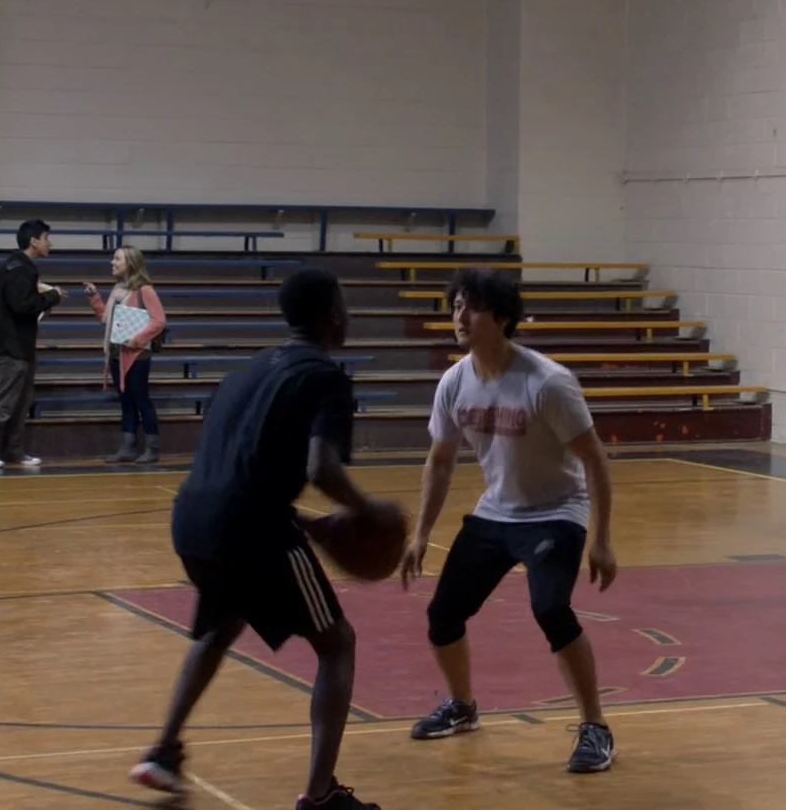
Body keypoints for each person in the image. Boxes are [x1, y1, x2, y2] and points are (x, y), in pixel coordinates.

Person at [131, 267, 390, 810]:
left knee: (220, 625)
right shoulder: (324, 377)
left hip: (192, 518)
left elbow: (241, 466)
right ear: (333, 316)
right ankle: (320, 795)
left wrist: (308, 524)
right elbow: (321, 469)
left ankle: (163, 752)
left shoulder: (245, 372)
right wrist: (368, 511)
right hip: (250, 525)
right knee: (337, 643)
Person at [397, 268, 619, 774]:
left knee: (551, 609)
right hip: (496, 511)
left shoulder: (547, 382)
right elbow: (440, 462)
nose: (460, 317)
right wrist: (421, 534)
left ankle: (596, 726)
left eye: (472, 308)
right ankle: (462, 706)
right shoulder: (455, 381)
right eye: (456, 306)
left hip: (556, 511)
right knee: (443, 615)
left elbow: (595, 460)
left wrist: (602, 540)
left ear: (501, 318)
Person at [0, 219, 63, 470]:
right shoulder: (20, 270)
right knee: (4, 401)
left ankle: (13, 450)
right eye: (46, 238)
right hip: (10, 348)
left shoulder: (15, 268)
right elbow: (23, 306)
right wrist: (52, 296)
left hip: (18, 346)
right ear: (34, 241)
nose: (50, 243)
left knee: (20, 402)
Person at [84, 245, 168, 465]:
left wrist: (137, 340)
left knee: (141, 400)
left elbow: (159, 321)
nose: (112, 262)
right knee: (126, 402)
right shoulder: (118, 288)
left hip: (136, 355)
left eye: (117, 259)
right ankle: (127, 448)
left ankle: (152, 448)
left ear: (130, 263)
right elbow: (106, 319)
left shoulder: (144, 290)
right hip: (116, 353)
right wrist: (94, 298)